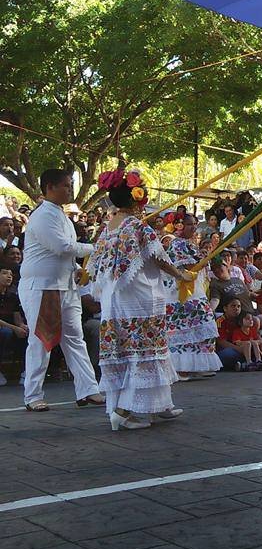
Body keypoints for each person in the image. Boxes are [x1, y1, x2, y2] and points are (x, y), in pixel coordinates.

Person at [87, 168, 192, 430]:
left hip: (116, 300)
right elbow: (156, 256)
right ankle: (124, 411)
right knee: (141, 353)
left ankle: (159, 405)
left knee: (128, 352)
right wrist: (180, 274)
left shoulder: (108, 227)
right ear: (136, 197)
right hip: (139, 297)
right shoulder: (136, 226)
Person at [19, 169, 104, 412]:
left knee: (75, 339)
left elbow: (64, 253)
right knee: (41, 341)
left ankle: (88, 390)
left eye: (70, 185)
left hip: (65, 286)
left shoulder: (62, 216)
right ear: (50, 188)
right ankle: (33, 395)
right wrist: (94, 248)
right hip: (43, 287)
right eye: (66, 185)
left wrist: (77, 267)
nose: (70, 190)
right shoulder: (42, 215)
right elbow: (60, 246)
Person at [163, 214, 221, 381]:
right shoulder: (177, 243)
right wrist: (204, 258)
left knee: (204, 324)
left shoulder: (191, 244)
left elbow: (199, 265)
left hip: (195, 289)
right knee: (183, 329)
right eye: (190, 224)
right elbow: (189, 266)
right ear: (181, 225)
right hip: (181, 292)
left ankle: (197, 364)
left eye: (195, 224)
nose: (193, 227)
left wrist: (204, 256)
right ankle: (181, 367)